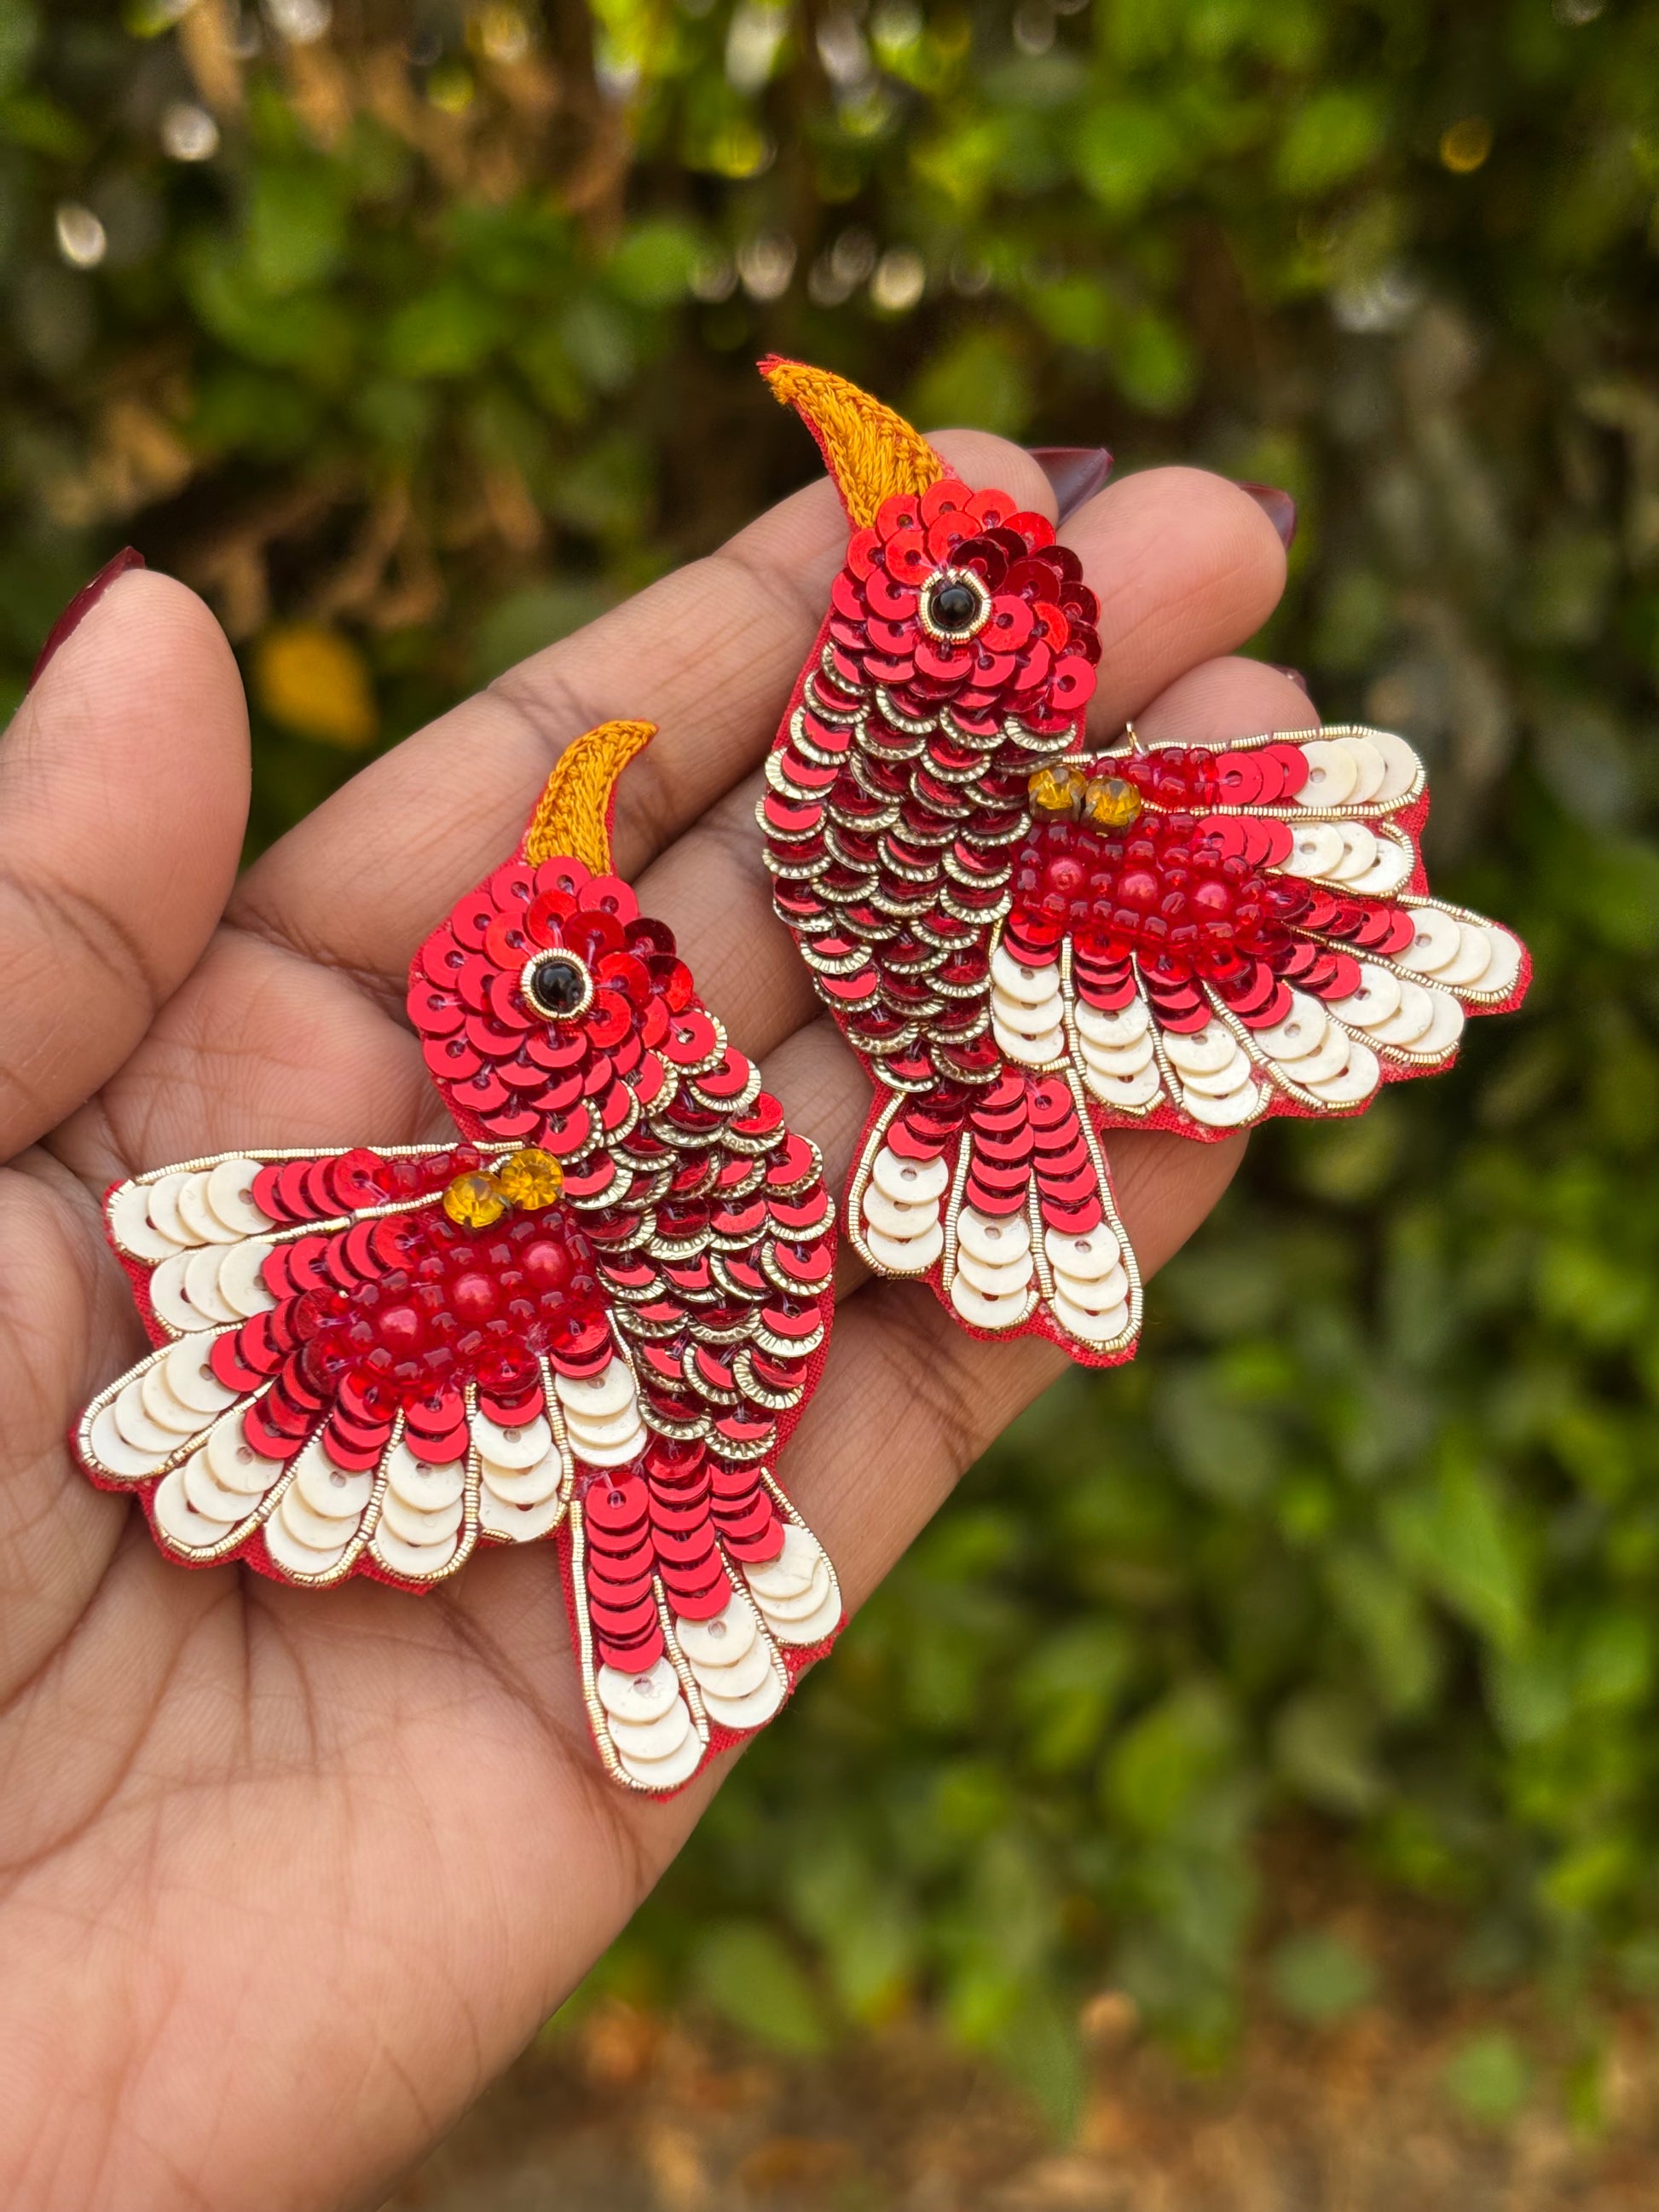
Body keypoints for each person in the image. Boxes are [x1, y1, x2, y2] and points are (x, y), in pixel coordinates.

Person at [0, 429, 1301, 2209]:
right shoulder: (517, 1227)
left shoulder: (768, 1021)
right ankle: (687, 1554)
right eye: (571, 972)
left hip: (834, 1246)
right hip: (680, 1475)